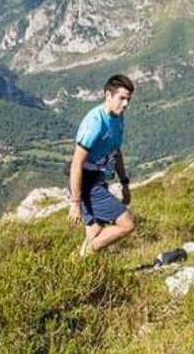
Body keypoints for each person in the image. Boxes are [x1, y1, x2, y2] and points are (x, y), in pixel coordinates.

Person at [68, 74, 136, 255]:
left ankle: (78, 264)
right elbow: (76, 164)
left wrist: (124, 183)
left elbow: (116, 151)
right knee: (127, 223)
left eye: (128, 99)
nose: (125, 104)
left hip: (99, 178)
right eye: (121, 98)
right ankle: (87, 252)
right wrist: (75, 202)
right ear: (108, 95)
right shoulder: (95, 124)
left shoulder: (117, 118)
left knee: (95, 230)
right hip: (88, 182)